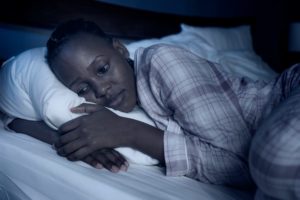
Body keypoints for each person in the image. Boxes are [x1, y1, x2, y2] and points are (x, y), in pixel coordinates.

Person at [7, 19, 300, 192]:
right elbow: (14, 119)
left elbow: (240, 166)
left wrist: (130, 133)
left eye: (102, 69)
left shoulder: (162, 62)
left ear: (120, 50)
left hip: (288, 95)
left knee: (274, 163)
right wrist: (55, 135)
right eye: (84, 89)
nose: (102, 89)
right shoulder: (129, 100)